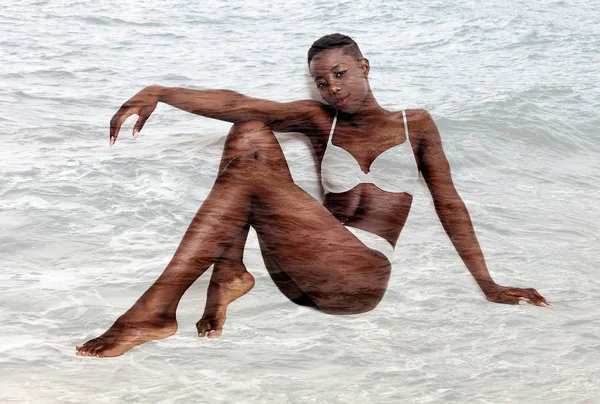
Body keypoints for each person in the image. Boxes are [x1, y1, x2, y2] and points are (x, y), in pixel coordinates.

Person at [76, 34, 549, 358]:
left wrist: (487, 284)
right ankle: (229, 272)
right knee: (249, 131)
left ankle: (157, 311)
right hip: (302, 273)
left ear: (364, 66)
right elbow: (239, 103)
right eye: (322, 81)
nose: (333, 88)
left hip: (358, 280)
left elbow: (449, 202)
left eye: (341, 74)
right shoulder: (322, 121)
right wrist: (162, 91)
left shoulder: (415, 124)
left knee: (247, 172)